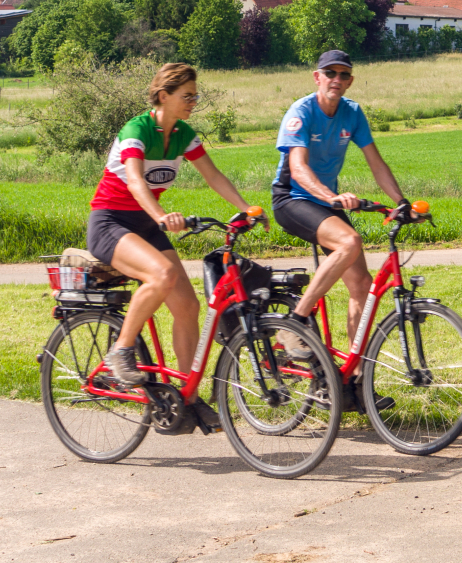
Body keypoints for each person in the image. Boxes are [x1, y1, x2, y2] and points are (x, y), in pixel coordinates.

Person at [92, 63, 256, 405]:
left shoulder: (183, 134)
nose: (193, 101)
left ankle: (188, 398)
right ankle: (120, 352)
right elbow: (136, 181)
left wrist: (246, 208)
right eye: (187, 95)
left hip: (147, 225)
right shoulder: (136, 130)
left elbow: (213, 175)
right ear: (163, 96)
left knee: (187, 306)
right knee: (162, 275)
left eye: (195, 95)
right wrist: (162, 215)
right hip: (111, 222)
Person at [271, 50, 412, 408]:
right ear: (316, 77)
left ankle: (355, 382)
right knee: (350, 241)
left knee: (362, 287)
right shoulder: (300, 112)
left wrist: (400, 202)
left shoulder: (352, 112)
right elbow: (299, 169)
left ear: (350, 80)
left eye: (344, 74)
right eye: (329, 73)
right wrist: (331, 196)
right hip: (293, 199)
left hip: (326, 202)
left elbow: (376, 163)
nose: (337, 79)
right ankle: (295, 321)